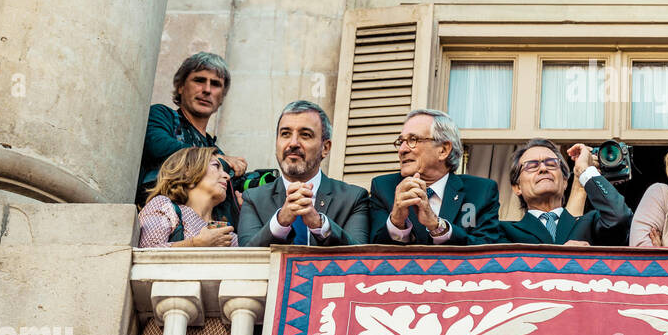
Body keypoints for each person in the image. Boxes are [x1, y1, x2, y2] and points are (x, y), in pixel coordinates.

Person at [129, 146, 238, 335]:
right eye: (216, 166)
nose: (225, 175)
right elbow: (144, 254)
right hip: (171, 328)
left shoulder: (226, 232)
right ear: (189, 171)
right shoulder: (165, 207)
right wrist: (195, 244)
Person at [238, 101, 370, 246]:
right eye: (285, 134)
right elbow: (246, 259)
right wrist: (280, 222)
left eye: (305, 135)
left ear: (325, 148)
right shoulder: (254, 199)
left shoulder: (353, 199)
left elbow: (360, 257)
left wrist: (319, 224)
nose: (293, 143)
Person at [138, 52, 248, 224]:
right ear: (181, 87)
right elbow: (157, 144)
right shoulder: (163, 116)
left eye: (216, 84)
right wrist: (212, 159)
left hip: (203, 234)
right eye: (199, 80)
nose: (206, 90)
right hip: (161, 224)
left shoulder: (217, 152)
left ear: (221, 98)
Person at [368, 108, 502, 245]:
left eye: (413, 140)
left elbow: (487, 251)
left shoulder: (481, 191)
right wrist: (396, 222)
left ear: (443, 150)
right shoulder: (384, 187)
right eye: (400, 142)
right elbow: (372, 252)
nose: (402, 150)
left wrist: (437, 226)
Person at [499, 139, 632, 245]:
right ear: (517, 187)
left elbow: (619, 218)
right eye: (532, 166)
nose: (543, 168)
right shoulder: (504, 232)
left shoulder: (591, 222)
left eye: (551, 163)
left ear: (564, 181)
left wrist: (584, 171)